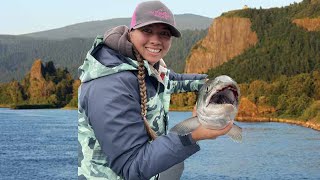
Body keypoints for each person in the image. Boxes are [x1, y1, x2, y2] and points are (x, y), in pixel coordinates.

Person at [78, 1, 233, 179]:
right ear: (131, 31)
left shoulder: (146, 67)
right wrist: (194, 135)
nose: (156, 40)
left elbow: (172, 80)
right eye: (147, 30)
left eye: (164, 34)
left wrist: (214, 84)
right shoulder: (108, 86)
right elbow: (132, 167)